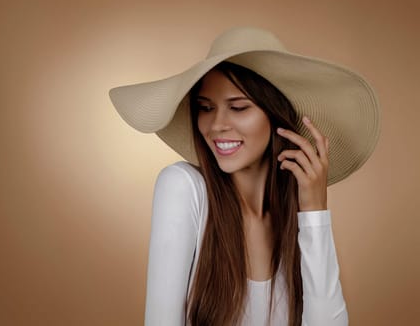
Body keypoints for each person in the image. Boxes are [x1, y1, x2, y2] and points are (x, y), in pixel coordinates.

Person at [109, 27, 381, 326]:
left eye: (238, 107)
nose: (216, 125)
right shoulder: (183, 187)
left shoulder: (292, 220)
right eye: (206, 108)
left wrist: (315, 213)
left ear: (276, 116)